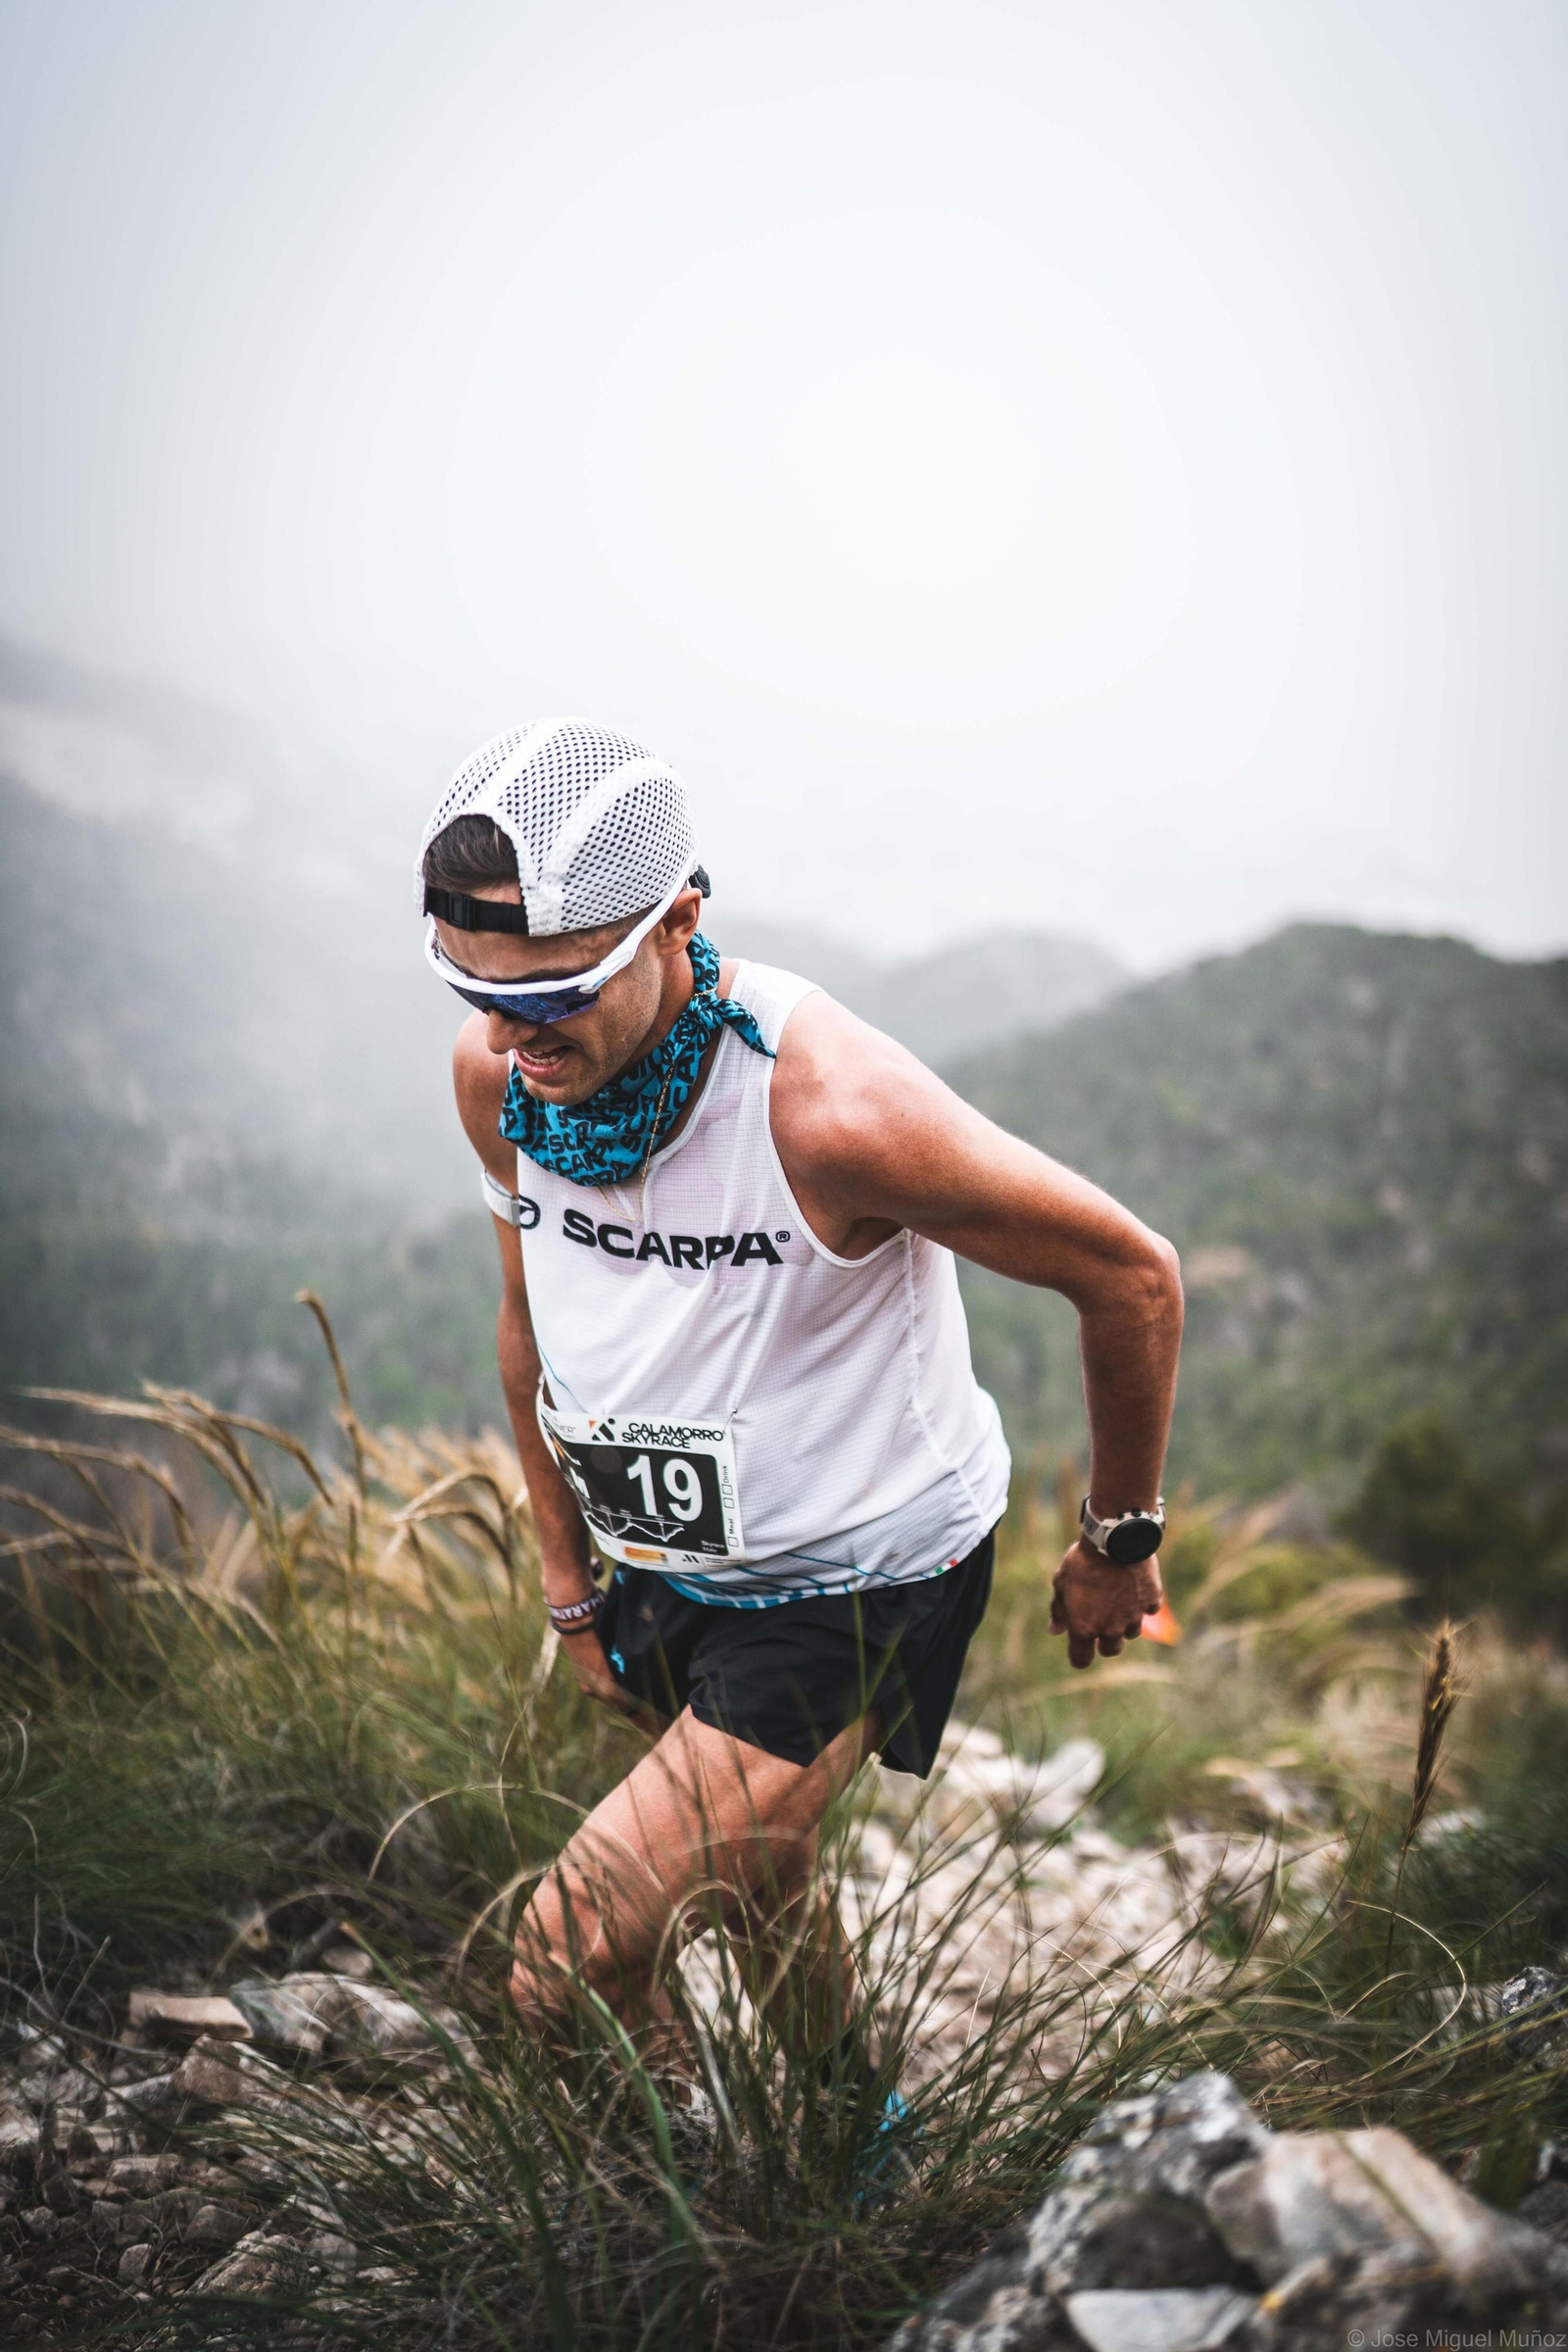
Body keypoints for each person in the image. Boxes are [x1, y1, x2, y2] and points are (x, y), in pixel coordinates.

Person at [416, 719, 1182, 2080]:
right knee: (762, 1887)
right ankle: (840, 2136)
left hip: (850, 1575)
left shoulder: (830, 1111)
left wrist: (1118, 1542)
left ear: (679, 920)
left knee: (566, 1957)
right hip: (667, 1558)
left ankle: (682, 2246)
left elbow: (1131, 1275)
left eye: (552, 996)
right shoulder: (502, 1080)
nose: (507, 1036)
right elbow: (527, 1325)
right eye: (477, 992)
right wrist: (565, 1580)